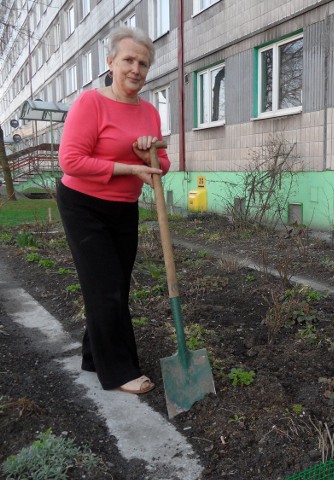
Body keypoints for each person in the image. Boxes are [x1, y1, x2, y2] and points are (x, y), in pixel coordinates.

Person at [57, 26, 170, 394]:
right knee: (104, 286)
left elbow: (161, 163)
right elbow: (71, 161)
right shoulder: (91, 104)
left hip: (124, 207)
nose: (136, 69)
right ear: (111, 62)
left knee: (114, 286)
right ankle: (118, 371)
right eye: (128, 60)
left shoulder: (150, 113)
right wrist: (129, 168)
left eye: (143, 63)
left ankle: (94, 355)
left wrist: (146, 158)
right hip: (84, 205)